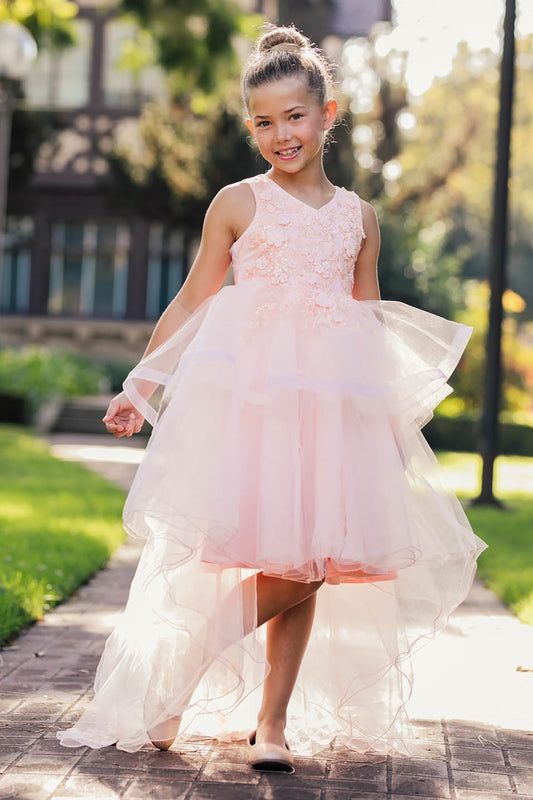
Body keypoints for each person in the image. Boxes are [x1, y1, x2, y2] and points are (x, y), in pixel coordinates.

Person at [58, 25, 487, 773]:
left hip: (333, 409)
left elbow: (367, 322)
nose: (280, 134)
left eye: (294, 116)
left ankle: (271, 722)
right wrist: (140, 383)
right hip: (255, 403)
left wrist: (384, 425)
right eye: (263, 122)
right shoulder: (237, 203)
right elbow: (193, 299)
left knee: (312, 558)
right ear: (250, 127)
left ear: (327, 114)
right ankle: (182, 671)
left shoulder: (359, 217)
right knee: (287, 556)